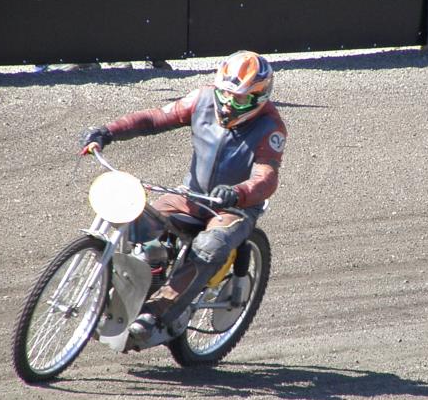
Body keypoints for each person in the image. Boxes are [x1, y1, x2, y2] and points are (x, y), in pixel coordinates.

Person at [79, 50, 287, 340]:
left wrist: (237, 193)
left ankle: (155, 314)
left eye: (239, 99)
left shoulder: (270, 127)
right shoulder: (202, 99)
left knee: (209, 248)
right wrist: (107, 132)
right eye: (225, 93)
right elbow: (153, 119)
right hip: (189, 196)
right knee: (134, 217)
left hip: (234, 208)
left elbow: (266, 177)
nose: (228, 102)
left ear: (258, 98)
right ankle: (132, 283)